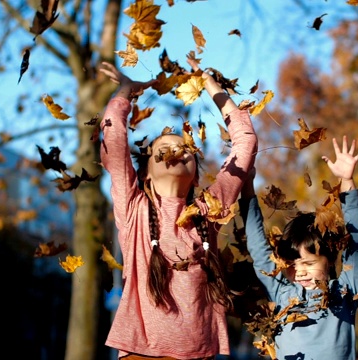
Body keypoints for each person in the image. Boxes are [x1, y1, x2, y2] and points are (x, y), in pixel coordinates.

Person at [99, 58, 258, 360]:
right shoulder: (134, 208)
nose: (175, 152)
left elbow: (245, 143)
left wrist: (209, 83)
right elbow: (115, 141)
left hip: (200, 354)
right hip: (140, 354)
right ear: (145, 173)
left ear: (197, 174)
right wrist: (124, 94)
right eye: (163, 150)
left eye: (184, 149)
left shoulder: (209, 209)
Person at [239, 135, 358, 360]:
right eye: (292, 264)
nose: (299, 271)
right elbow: (259, 248)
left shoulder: (343, 291)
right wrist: (247, 185)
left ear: (328, 261)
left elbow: (357, 245)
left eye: (308, 263)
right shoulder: (282, 294)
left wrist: (347, 182)